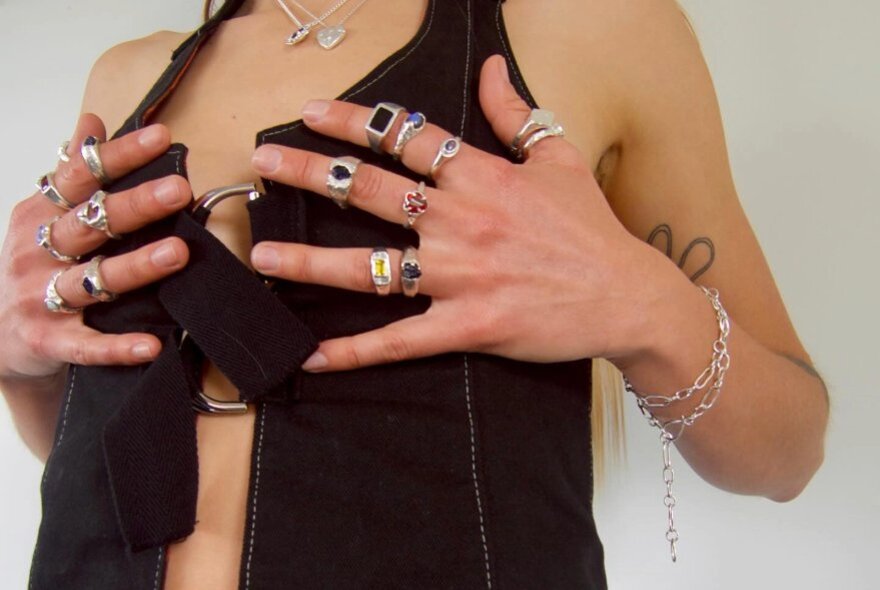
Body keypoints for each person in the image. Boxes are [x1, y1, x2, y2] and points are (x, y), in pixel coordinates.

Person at [0, 0, 830, 588]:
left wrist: (640, 301)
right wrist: (20, 360)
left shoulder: (590, 26)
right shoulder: (129, 75)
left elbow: (788, 453)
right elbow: (90, 447)